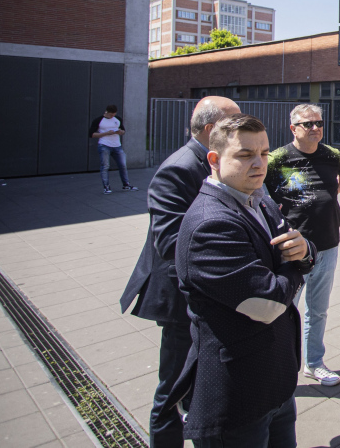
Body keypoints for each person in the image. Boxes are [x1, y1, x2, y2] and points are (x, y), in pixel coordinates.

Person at [166, 114, 314, 448]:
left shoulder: (257, 198)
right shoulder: (210, 224)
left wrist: (303, 249)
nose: (259, 163)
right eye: (245, 155)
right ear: (215, 160)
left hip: (274, 383)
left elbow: (295, 243)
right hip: (238, 395)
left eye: (264, 153)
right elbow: (269, 303)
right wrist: (295, 264)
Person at [120, 96, 240, 448]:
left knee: (202, 385)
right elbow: (170, 242)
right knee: (172, 390)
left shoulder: (218, 163)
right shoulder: (180, 168)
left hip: (208, 294)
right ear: (209, 129)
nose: (240, 128)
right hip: (181, 300)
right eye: (232, 122)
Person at [264, 104, 340, 386]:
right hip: (292, 249)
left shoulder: (331, 155)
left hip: (328, 244)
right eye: (307, 124)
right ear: (293, 129)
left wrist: (329, 195)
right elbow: (259, 194)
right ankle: (279, 366)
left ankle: (314, 363)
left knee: (319, 309)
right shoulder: (277, 159)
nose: (315, 128)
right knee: (284, 309)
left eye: (318, 123)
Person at [89, 104, 137, 193]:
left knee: (122, 165)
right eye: (111, 114)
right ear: (106, 112)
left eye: (114, 114)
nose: (112, 116)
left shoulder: (117, 119)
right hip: (104, 145)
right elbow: (91, 134)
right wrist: (106, 133)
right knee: (105, 166)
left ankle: (126, 185)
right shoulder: (99, 120)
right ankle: (106, 187)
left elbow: (123, 131)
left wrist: (120, 132)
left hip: (117, 145)